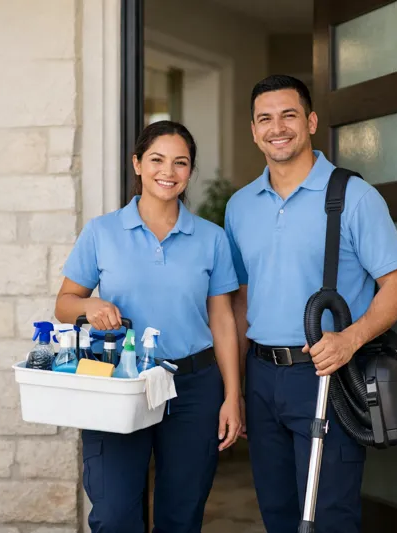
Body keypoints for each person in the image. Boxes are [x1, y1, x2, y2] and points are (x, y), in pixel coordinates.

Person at [224, 75, 397, 533]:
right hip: (262, 376)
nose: (278, 127)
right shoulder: (239, 207)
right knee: (278, 515)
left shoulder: (354, 196)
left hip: (326, 376)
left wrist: (350, 340)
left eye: (289, 115)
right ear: (253, 130)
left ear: (310, 121)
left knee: (328, 517)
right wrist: (239, 387)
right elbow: (241, 299)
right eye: (265, 118)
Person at [55, 120, 243, 533]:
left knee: (181, 517)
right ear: (137, 164)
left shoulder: (211, 239)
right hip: (119, 382)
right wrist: (91, 305)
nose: (168, 171)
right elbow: (64, 305)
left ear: (190, 172)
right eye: (157, 159)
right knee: (115, 515)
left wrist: (232, 396)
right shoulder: (101, 232)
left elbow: (223, 321)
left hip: (193, 388)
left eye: (181, 163)